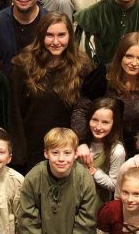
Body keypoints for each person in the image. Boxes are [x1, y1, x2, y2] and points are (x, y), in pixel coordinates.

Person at [9, 13, 92, 171]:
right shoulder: (23, 64)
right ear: (41, 36)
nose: (55, 42)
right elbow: (14, 111)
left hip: (67, 148)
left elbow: (85, 108)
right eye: (49, 35)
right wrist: (18, 153)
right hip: (32, 147)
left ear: (70, 36)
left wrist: (82, 141)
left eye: (61, 35)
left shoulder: (82, 65)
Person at [73, 32, 139, 156]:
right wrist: (82, 141)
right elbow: (81, 109)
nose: (134, 63)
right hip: (105, 145)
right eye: (129, 56)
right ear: (120, 56)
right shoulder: (104, 74)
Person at [76, 97, 126, 210]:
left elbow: (115, 185)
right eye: (94, 120)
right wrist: (80, 144)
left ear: (114, 123)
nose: (98, 127)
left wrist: (95, 172)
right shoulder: (80, 141)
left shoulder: (117, 150)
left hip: (94, 206)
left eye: (105, 122)